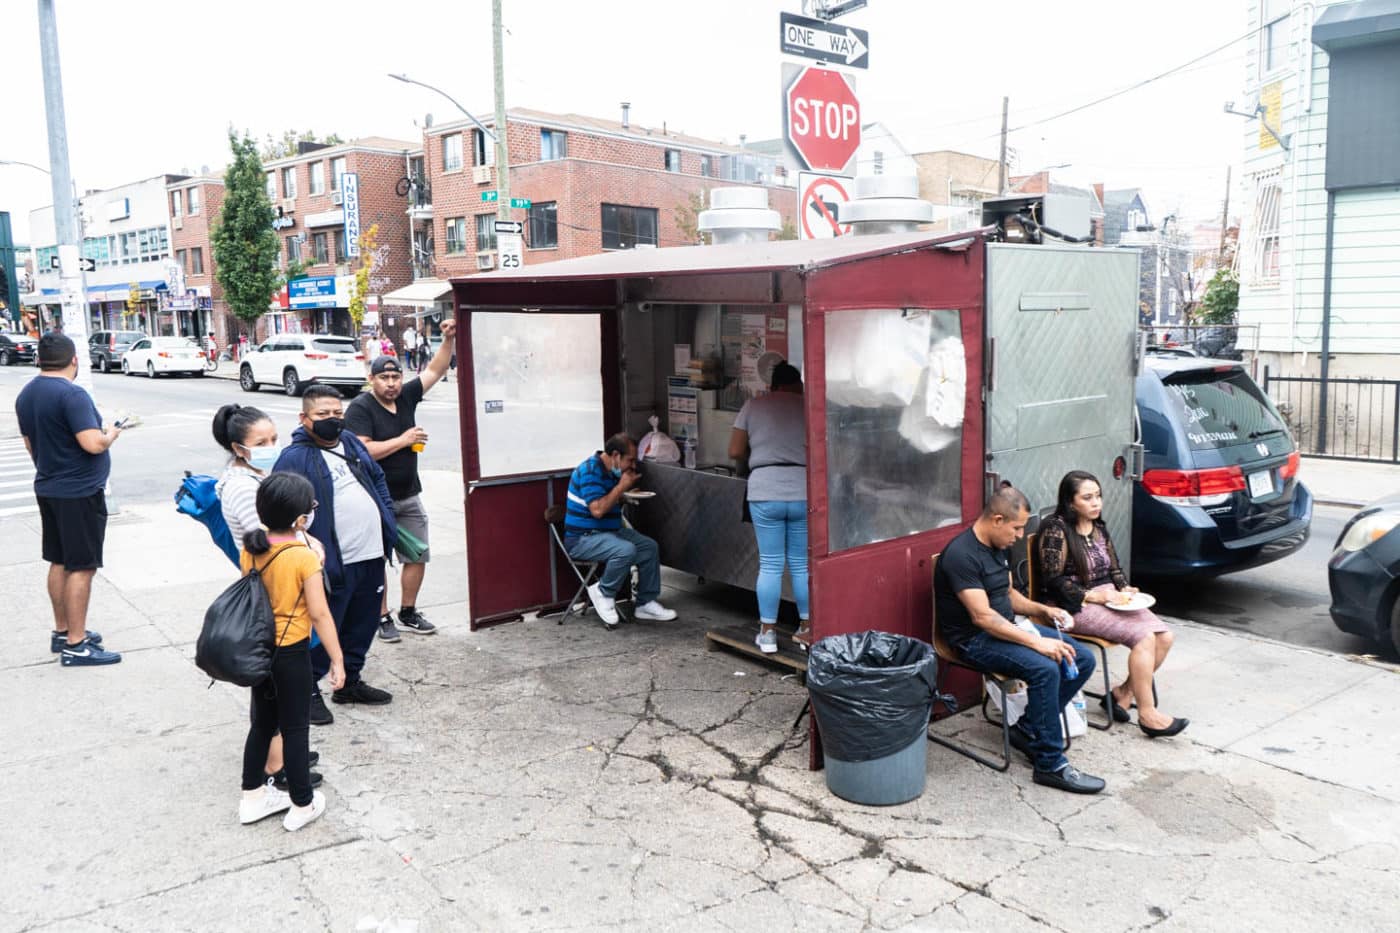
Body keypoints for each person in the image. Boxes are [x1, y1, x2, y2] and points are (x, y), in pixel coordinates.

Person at [934, 486, 1104, 794]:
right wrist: (1037, 643)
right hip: (972, 640)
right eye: (1016, 528)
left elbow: (1008, 594)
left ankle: (1026, 729)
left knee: (1082, 658)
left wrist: (1044, 610)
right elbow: (982, 617)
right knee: (1046, 669)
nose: (1020, 535)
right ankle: (1050, 765)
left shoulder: (999, 545)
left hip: (1006, 627)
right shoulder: (961, 555)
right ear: (997, 520)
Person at [213, 404, 327, 789]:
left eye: (274, 439)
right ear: (238, 447)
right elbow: (268, 536)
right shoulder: (243, 487)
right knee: (276, 695)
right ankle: (279, 770)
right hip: (275, 598)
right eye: (261, 442)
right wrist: (307, 547)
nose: (271, 447)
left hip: (278, 586)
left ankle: (282, 758)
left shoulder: (256, 475)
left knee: (275, 696)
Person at [273, 385, 398, 725]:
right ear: (304, 418)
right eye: (323, 414)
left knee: (363, 623)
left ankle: (349, 682)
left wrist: (386, 514)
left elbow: (377, 478)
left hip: (370, 553)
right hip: (332, 564)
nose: (332, 420)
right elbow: (281, 508)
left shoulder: (351, 443)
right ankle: (308, 691)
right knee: (323, 626)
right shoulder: (294, 458)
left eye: (337, 413)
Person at [1036, 471, 1187, 738]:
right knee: (1144, 638)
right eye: (1087, 498)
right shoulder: (1055, 528)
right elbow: (1053, 581)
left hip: (1107, 597)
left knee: (1164, 636)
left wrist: (1125, 589)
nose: (1096, 502)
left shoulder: (1098, 526)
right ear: (1070, 502)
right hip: (1070, 606)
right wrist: (1095, 596)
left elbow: (1114, 571)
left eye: (1098, 496)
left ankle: (1122, 694)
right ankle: (1148, 714)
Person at [236, 472, 345, 832]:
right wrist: (337, 658)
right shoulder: (302, 557)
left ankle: (252, 797)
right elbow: (320, 613)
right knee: (296, 728)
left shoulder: (251, 548)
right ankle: (302, 803)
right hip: (291, 652)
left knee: (262, 724)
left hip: (260, 651)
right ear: (300, 520)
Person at [346, 320, 457, 643]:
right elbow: (363, 451)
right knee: (376, 560)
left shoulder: (407, 396)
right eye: (384, 378)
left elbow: (435, 370)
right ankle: (381, 616)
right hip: (374, 499)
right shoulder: (361, 408)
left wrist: (448, 339)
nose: (392, 383)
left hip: (409, 495)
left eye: (396, 377)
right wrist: (404, 440)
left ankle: (408, 611)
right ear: (372, 379)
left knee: (417, 554)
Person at [15, 334, 123, 666]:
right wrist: (111, 434)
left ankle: (63, 632)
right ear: (74, 360)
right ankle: (76, 645)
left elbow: (30, 445)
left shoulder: (26, 394)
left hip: (49, 486)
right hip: (79, 492)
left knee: (59, 560)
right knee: (82, 566)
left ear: (39, 359)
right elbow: (92, 443)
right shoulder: (72, 394)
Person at [728, 361, 810, 655]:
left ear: (772, 385)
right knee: (801, 564)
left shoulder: (754, 405)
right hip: (802, 489)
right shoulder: (809, 406)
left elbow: (735, 451)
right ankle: (807, 629)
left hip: (764, 489)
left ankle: (768, 634)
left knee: (771, 564)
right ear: (798, 384)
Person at [565, 434, 678, 628]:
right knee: (625, 549)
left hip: (608, 533)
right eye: (630, 460)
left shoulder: (611, 471)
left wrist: (624, 495)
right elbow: (598, 510)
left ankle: (645, 603)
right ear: (616, 455)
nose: (633, 466)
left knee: (649, 547)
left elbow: (607, 500)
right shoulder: (590, 471)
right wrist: (621, 487)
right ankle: (603, 592)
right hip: (583, 539)